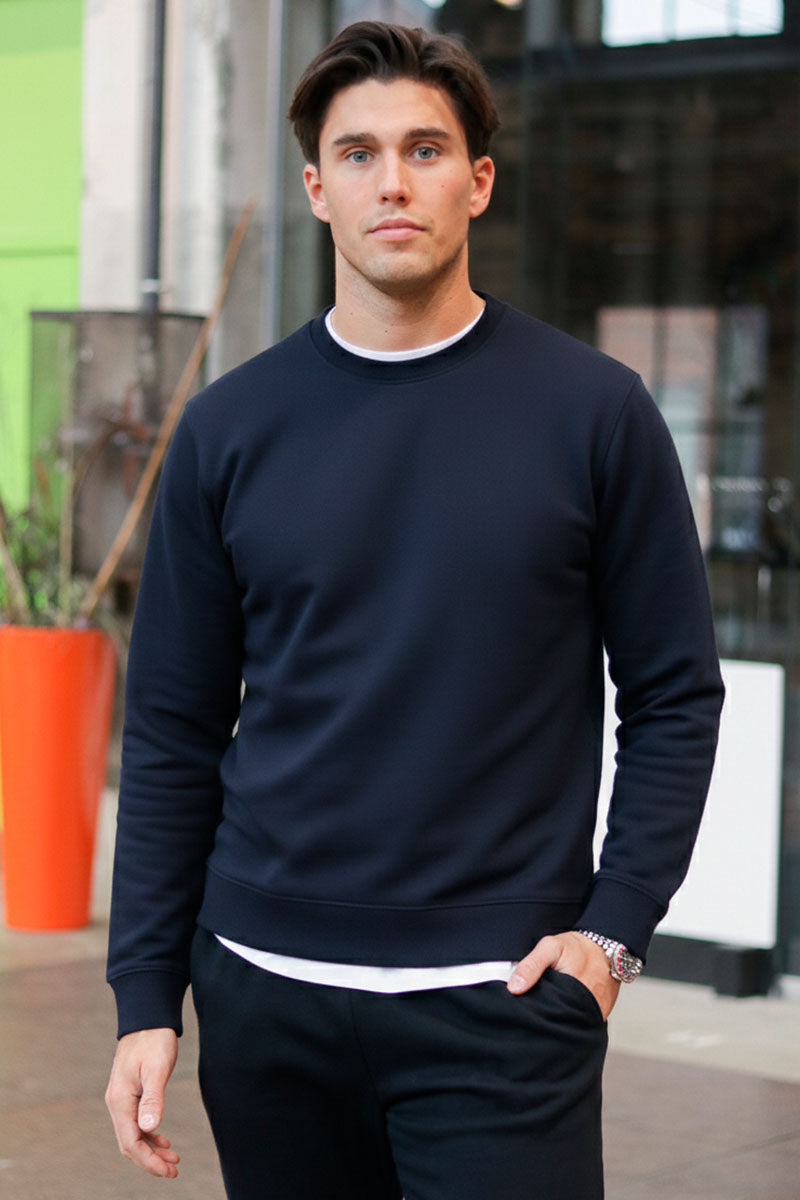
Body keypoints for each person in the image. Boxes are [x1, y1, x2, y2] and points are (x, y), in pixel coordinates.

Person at [105, 20, 724, 1200]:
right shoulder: (229, 429)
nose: (391, 181)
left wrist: (609, 937)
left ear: (477, 181)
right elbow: (173, 728)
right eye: (358, 153)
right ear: (316, 189)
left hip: (501, 1007)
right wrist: (146, 998)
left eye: (424, 150)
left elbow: (672, 698)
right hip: (265, 1000)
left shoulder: (594, 414)